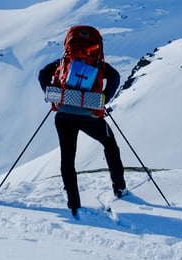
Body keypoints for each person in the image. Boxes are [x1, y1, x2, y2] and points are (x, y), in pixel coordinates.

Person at [38, 30, 125, 215]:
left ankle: (73, 202)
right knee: (110, 145)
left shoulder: (63, 62)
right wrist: (103, 100)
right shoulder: (98, 63)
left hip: (63, 115)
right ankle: (119, 188)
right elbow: (115, 77)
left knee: (67, 158)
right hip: (90, 115)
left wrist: (52, 93)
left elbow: (43, 73)